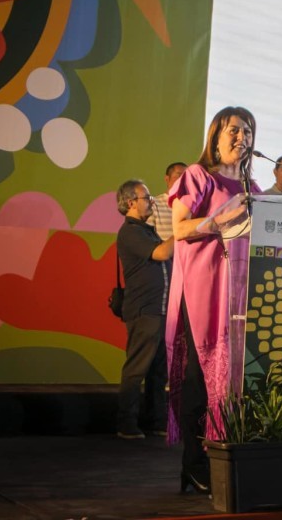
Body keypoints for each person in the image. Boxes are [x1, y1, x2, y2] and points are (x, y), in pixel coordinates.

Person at [167, 106, 257, 493]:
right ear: (215, 137)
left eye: (248, 131)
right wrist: (216, 220)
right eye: (234, 130)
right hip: (203, 288)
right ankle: (195, 462)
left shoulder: (254, 190)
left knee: (238, 381)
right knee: (200, 380)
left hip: (240, 295)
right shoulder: (198, 175)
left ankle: (229, 455)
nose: (242, 137)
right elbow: (179, 228)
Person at [115, 179, 174, 440]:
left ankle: (156, 421)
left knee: (158, 370)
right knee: (137, 368)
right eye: (146, 197)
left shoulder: (147, 230)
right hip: (144, 310)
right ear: (131, 202)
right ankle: (127, 424)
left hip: (159, 310)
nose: (151, 201)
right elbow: (161, 254)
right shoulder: (130, 231)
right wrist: (182, 231)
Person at [150, 162, 186, 242]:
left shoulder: (192, 206)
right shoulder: (154, 203)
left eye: (186, 177)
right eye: (179, 176)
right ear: (167, 179)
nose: (183, 180)